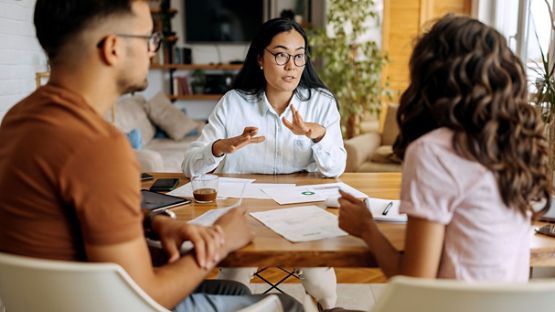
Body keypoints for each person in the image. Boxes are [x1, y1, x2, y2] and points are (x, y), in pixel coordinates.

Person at [0, 1, 303, 311]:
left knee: (233, 288)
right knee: (286, 305)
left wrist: (152, 224)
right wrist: (221, 240)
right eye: (149, 39)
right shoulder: (97, 146)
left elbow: (73, 219)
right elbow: (145, 299)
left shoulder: (17, 119)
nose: (153, 51)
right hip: (108, 305)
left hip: (53, 301)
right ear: (113, 48)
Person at [338, 14, 551, 281]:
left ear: (431, 78)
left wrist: (367, 228)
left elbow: (415, 284)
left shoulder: (433, 151)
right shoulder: (516, 144)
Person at [182, 18, 346, 310]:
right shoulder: (234, 103)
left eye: (299, 55)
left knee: (321, 286)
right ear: (260, 58)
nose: (292, 65)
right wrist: (221, 147)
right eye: (281, 55)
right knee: (234, 283)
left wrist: (316, 134)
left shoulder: (321, 102)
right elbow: (191, 167)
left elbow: (335, 169)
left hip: (303, 212)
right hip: (243, 213)